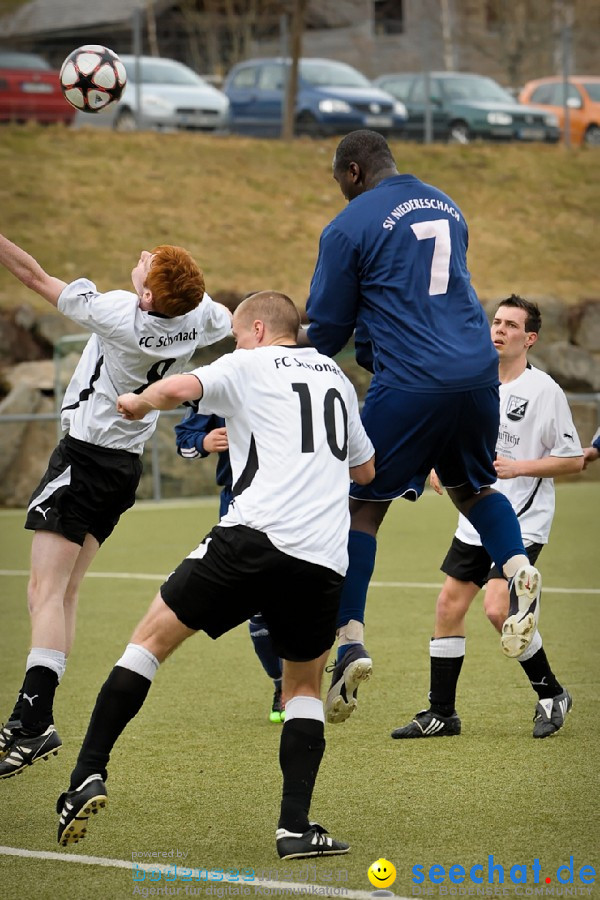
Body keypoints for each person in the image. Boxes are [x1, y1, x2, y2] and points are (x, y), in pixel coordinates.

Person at [55, 291, 375, 859]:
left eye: (235, 332)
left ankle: (85, 774)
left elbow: (181, 388)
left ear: (255, 328)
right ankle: (295, 828)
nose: (232, 341)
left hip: (253, 535)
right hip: (324, 557)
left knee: (148, 643)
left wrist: (136, 401)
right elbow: (366, 468)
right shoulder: (336, 376)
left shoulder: (248, 362)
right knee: (302, 688)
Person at [299, 129, 543, 724]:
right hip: (478, 376)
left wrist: (278, 350)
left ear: (353, 172)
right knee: (473, 486)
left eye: (340, 183)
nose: (341, 193)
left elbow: (326, 331)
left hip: (411, 382)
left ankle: (351, 639)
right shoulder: (446, 205)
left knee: (359, 505)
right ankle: (517, 569)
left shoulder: (349, 226)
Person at [0, 236, 232, 779]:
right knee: (64, 591)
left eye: (146, 267)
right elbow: (239, 323)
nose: (140, 260)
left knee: (43, 591)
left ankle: (32, 720)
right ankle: (35, 716)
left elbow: (35, 277)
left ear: (148, 297)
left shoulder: (121, 317)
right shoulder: (201, 316)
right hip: (123, 466)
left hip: (83, 458)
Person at [390, 296, 583, 740]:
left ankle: (551, 694)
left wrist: (519, 467)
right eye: (495, 322)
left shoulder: (544, 391)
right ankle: (442, 713)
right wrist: (438, 466)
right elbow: (449, 436)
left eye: (511, 325)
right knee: (448, 606)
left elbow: (572, 460)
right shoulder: (474, 383)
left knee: (498, 609)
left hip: (522, 519)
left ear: (529, 338)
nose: (499, 330)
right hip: (474, 514)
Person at [175, 408, 285, 722]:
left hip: (295, 499)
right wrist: (204, 440)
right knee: (259, 605)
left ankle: (305, 681)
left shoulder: (294, 373)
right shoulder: (219, 383)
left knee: (302, 597)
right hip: (241, 505)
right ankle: (282, 686)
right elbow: (185, 438)